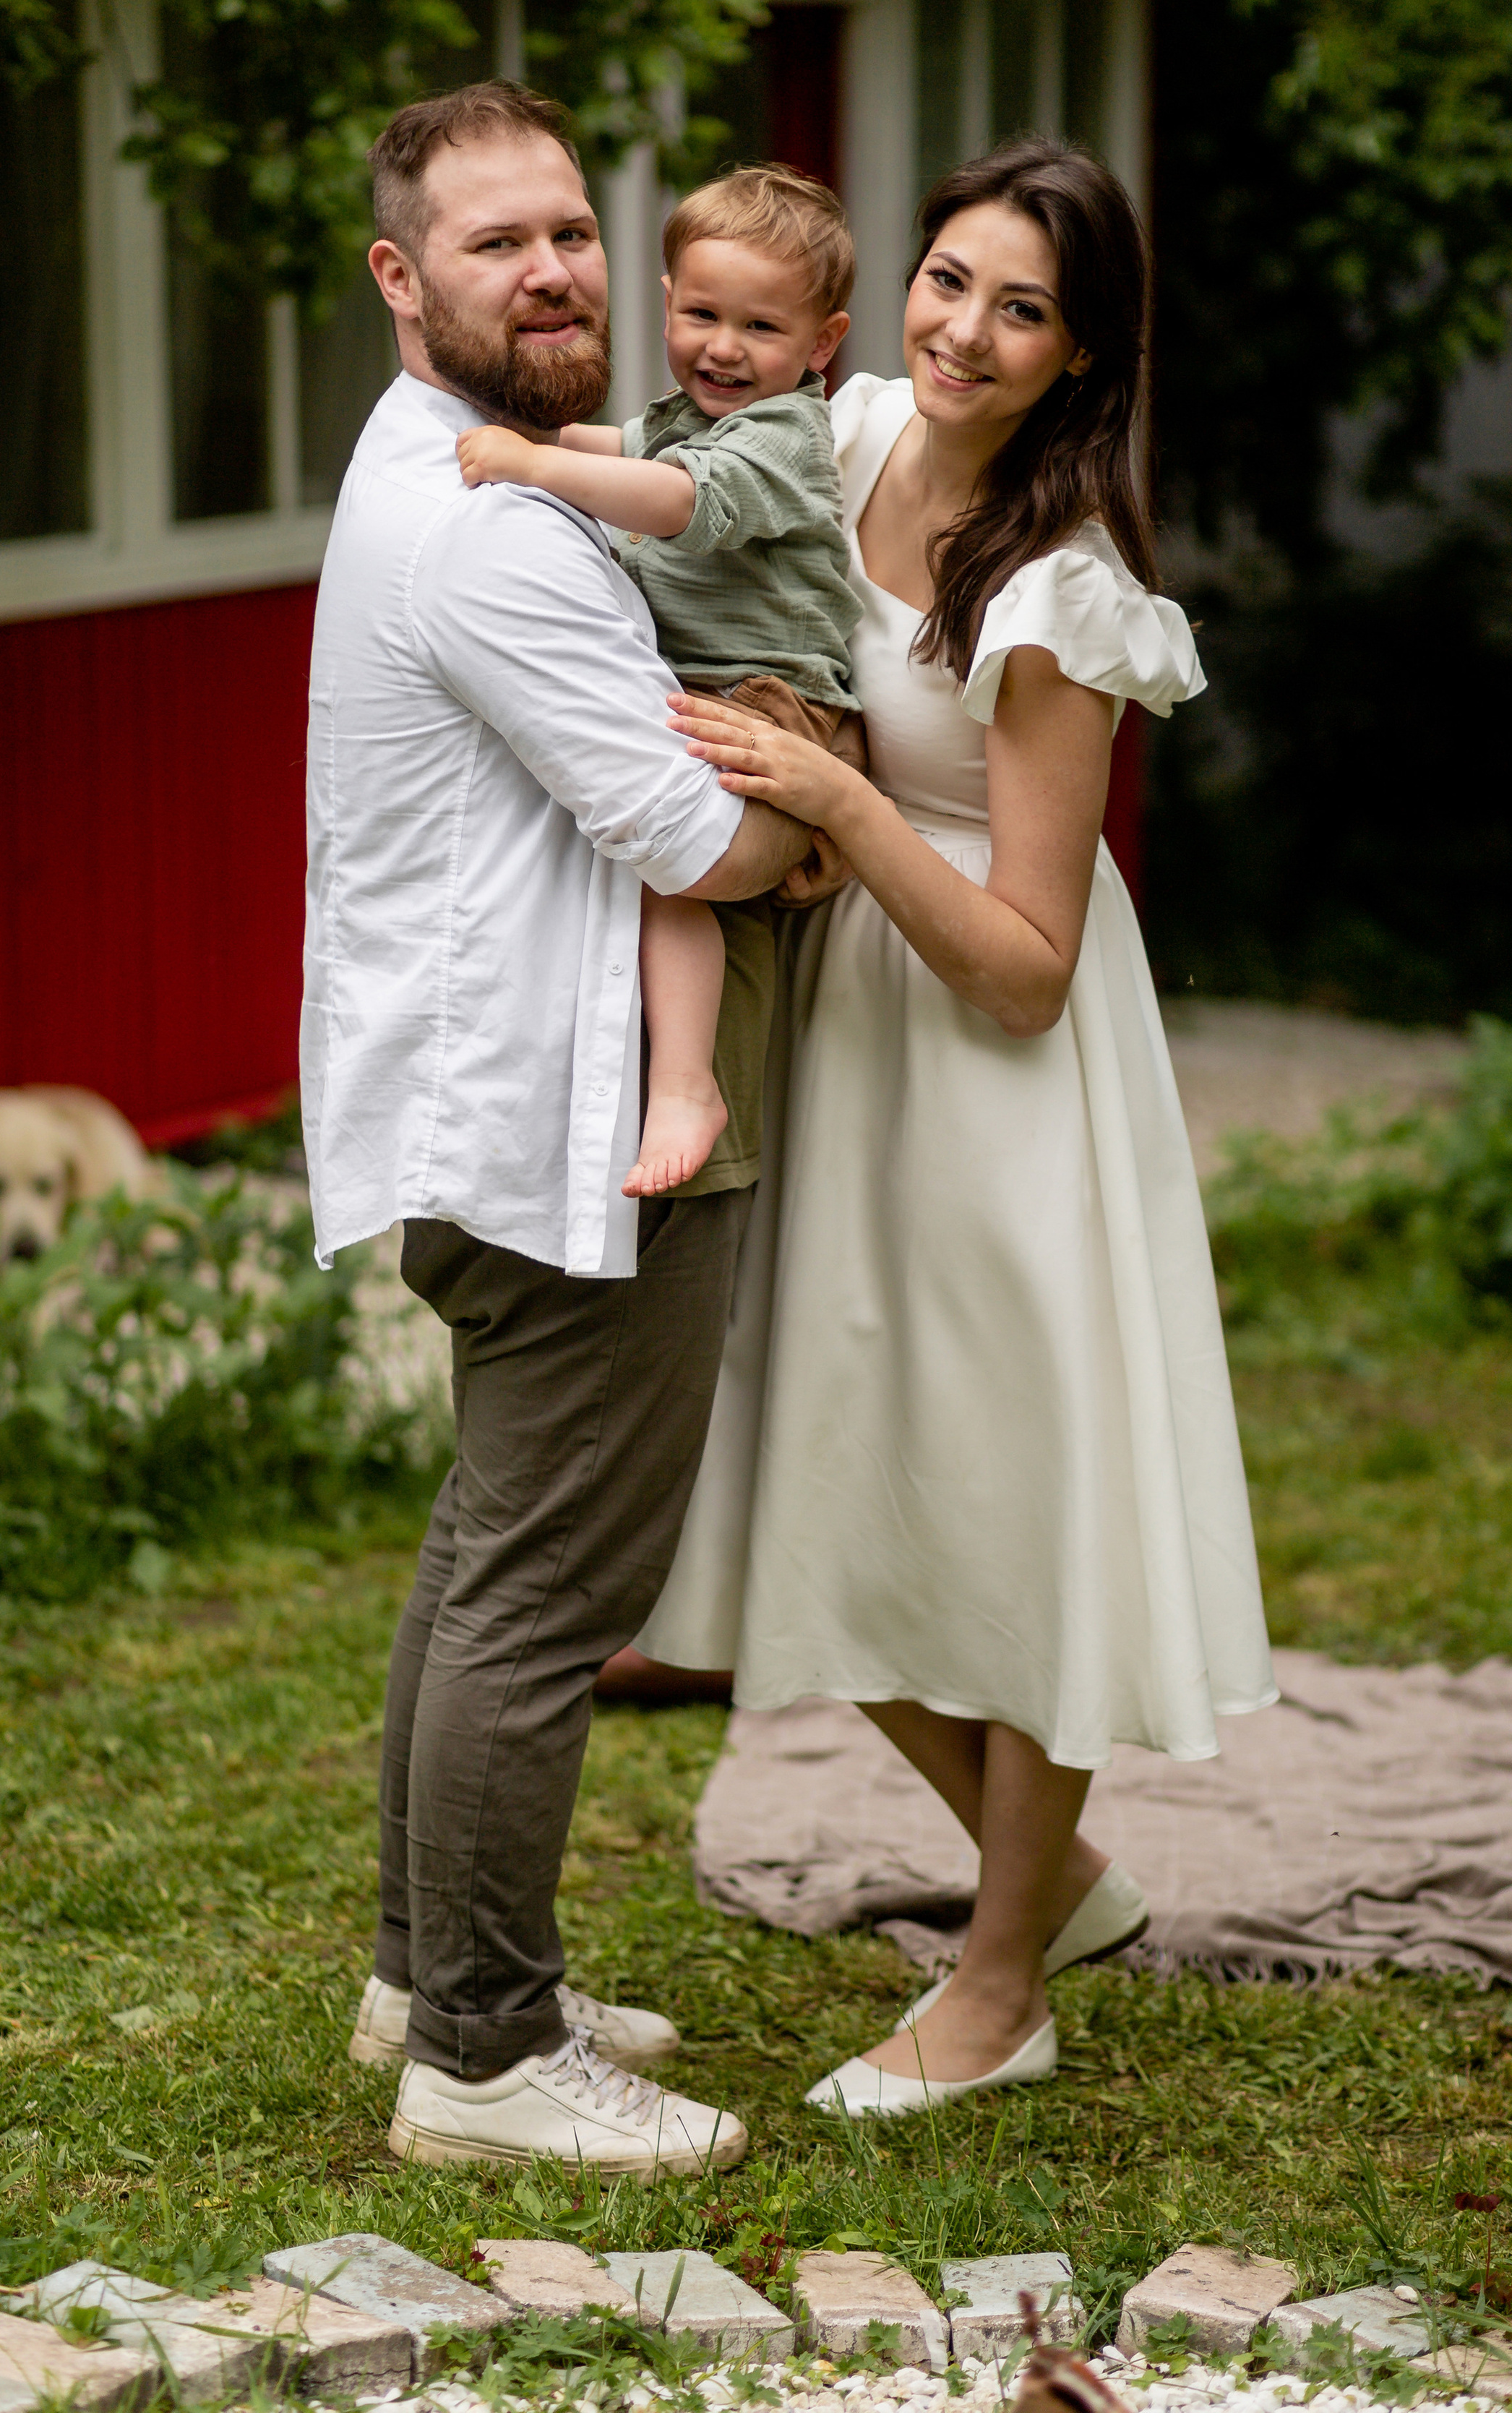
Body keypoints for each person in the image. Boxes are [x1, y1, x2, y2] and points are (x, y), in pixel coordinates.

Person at [648, 135, 1278, 2117]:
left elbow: (1023, 957)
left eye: (1022, 308)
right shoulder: (837, 438)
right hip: (845, 1034)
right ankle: (1062, 1880)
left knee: (1019, 1509)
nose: (963, 330)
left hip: (1001, 1070)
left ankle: (1001, 1991)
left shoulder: (1061, 601)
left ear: (1084, 361)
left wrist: (834, 809)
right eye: (945, 277)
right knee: (820, 1487)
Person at [300, 77, 814, 2174]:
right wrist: (825, 807)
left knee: (483, 1553)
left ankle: (436, 1975)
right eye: (496, 242)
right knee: (541, 1586)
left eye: (569, 232)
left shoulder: (465, 468)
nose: (553, 271)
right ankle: (491, 2066)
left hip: (486, 1096)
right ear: (400, 278)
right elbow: (695, 840)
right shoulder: (493, 529)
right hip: (563, 1121)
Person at [452, 166, 859, 1201]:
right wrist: (538, 437)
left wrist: (532, 469)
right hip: (705, 683)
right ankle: (674, 1077)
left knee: (664, 854)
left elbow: (677, 499)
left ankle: (686, 1086)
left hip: (770, 696)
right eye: (705, 313)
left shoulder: (783, 439)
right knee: (643, 854)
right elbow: (621, 444)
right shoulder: (692, 413)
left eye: (763, 328)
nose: (726, 347)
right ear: (669, 302)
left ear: (820, 344)